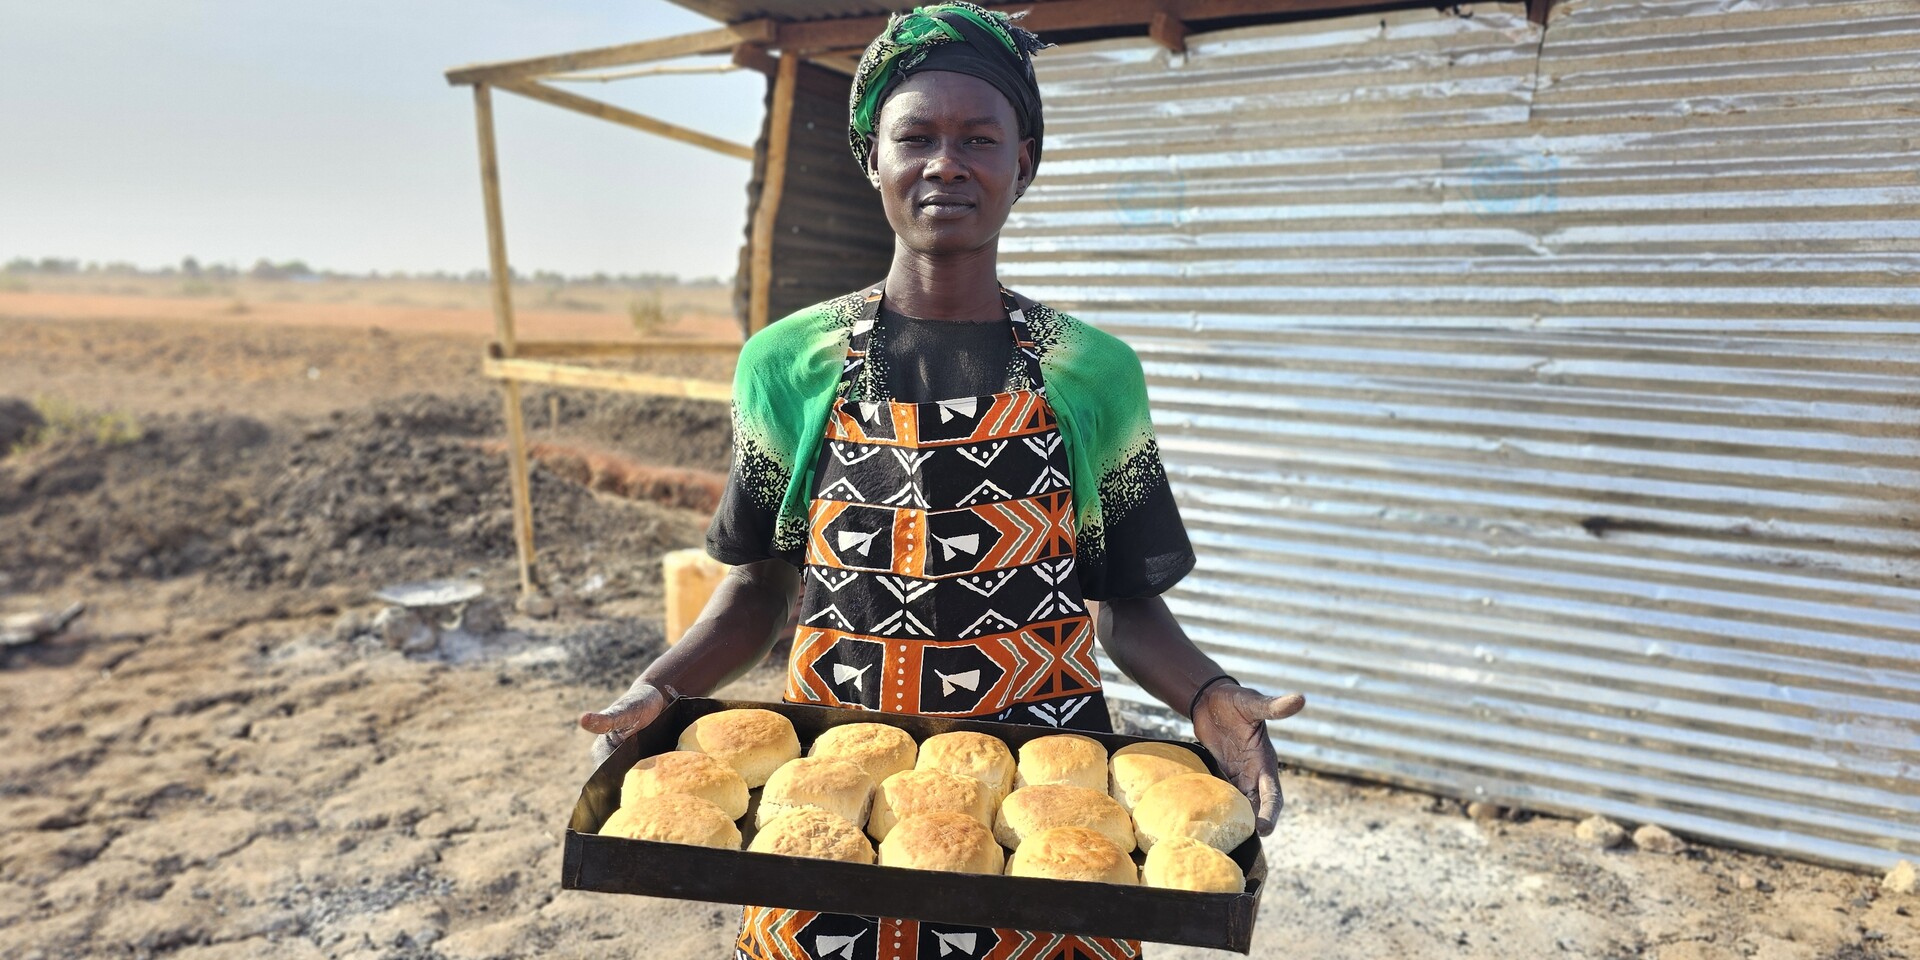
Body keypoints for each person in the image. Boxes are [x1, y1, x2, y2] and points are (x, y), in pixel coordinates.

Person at [579, 4, 1306, 957]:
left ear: (1025, 162)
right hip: (834, 799)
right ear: (871, 159)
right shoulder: (789, 363)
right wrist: (657, 692)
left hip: (1048, 801)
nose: (945, 163)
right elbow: (758, 592)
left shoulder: (1090, 371)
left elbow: (1125, 605)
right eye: (914, 137)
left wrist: (1211, 695)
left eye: (979, 139)